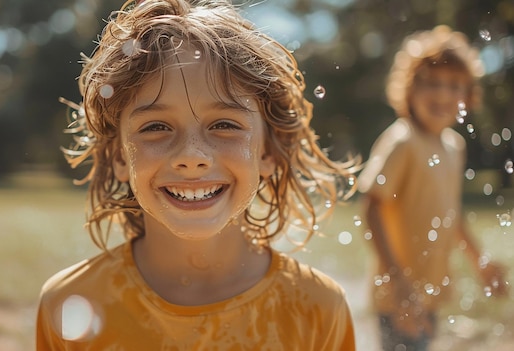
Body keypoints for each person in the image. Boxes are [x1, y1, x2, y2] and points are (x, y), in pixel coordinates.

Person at [36, 0, 359, 349]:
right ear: (119, 156)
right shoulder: (69, 303)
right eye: (156, 127)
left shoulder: (317, 309)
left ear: (268, 151)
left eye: (224, 124)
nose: (192, 156)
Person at [358, 25, 510, 351]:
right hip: (398, 296)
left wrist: (479, 261)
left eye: (454, 86)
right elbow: (371, 208)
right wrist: (398, 283)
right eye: (432, 83)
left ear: (468, 96)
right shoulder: (402, 140)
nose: (443, 94)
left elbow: (451, 214)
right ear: (409, 88)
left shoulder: (454, 146)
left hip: (431, 292)